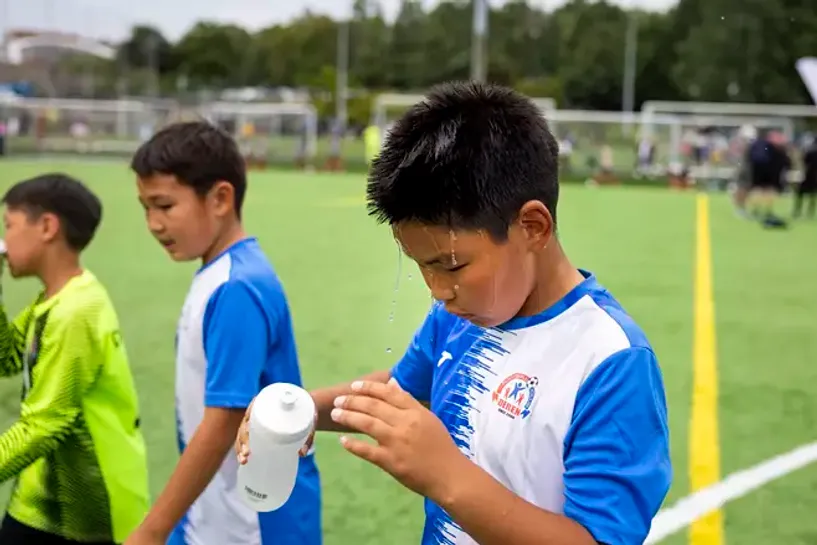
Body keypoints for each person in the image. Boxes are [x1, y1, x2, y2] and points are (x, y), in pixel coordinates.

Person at [236, 82, 672, 545]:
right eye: (421, 267)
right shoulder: (461, 316)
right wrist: (303, 409)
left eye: (451, 264)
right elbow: (400, 390)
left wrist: (448, 476)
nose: (438, 290)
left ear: (532, 226)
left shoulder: (610, 362)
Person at [126, 121, 321, 545]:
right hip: (215, 508)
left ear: (220, 198)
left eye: (164, 206)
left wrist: (152, 530)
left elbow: (223, 420)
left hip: (254, 519)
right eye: (145, 208)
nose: (154, 224)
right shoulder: (220, 272)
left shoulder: (238, 286)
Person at [0, 173, 150, 545]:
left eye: (9, 225)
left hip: (83, 515)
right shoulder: (54, 300)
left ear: (47, 227)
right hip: (38, 502)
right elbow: (5, 360)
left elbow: (43, 426)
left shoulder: (77, 311)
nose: (4, 241)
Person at [793, 137, 817, 219]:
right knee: (813, 194)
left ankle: (797, 210)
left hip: (808, 174)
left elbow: (804, 161)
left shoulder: (810, 151)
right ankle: (810, 211)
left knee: (800, 193)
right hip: (815, 175)